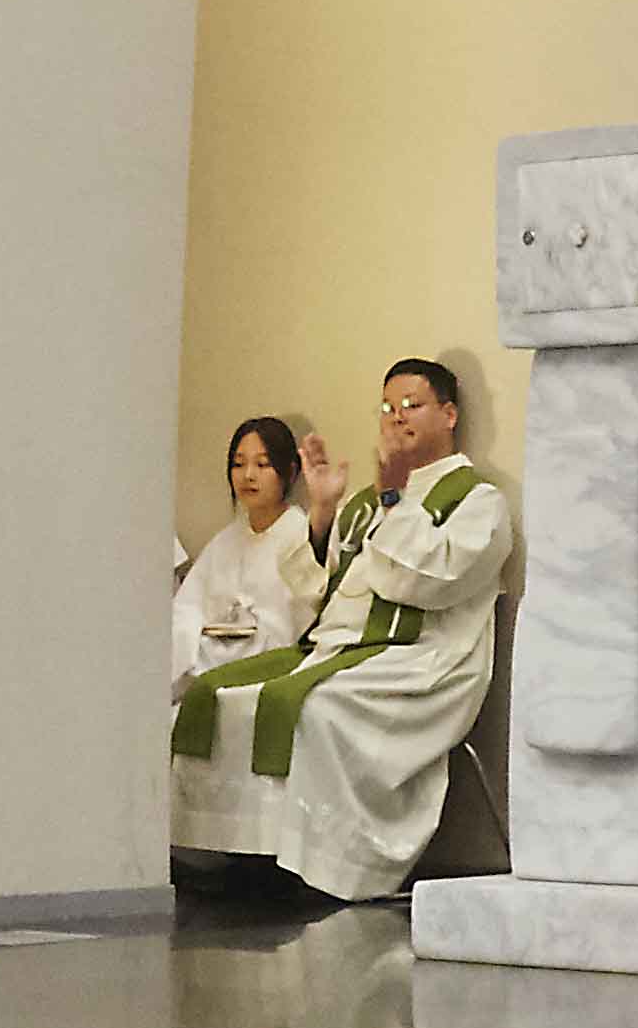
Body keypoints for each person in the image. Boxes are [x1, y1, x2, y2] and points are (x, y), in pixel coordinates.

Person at [167, 360, 514, 901]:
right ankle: (233, 857)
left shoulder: (477, 500)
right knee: (214, 697)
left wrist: (396, 501)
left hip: (419, 659)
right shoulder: (367, 501)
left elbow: (427, 583)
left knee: (315, 712)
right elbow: (321, 596)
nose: (397, 417)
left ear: (449, 415)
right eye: (387, 407)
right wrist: (324, 514)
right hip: (338, 650)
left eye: (412, 405)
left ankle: (322, 868)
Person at [173, 414, 327, 684]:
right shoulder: (227, 539)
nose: (248, 475)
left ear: (290, 472)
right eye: (239, 464)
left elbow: (300, 616)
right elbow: (188, 606)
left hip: (267, 658)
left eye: (262, 464)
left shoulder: (300, 534)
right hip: (211, 651)